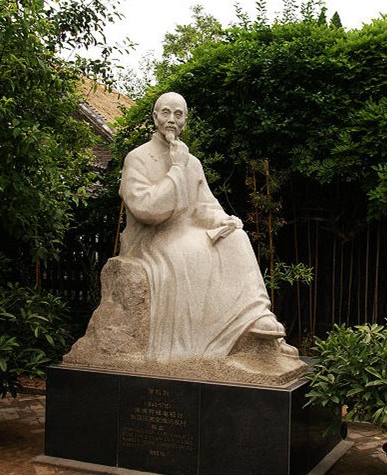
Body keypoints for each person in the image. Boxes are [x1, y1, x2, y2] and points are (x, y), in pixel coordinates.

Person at [118, 92, 297, 362]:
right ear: (154, 117)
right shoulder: (138, 158)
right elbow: (148, 209)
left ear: (185, 121)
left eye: (178, 114)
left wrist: (223, 221)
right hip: (153, 238)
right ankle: (198, 347)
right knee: (194, 252)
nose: (171, 119)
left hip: (189, 230)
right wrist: (176, 168)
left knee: (237, 239)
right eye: (165, 112)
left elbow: (204, 206)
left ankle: (257, 317)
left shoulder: (192, 162)